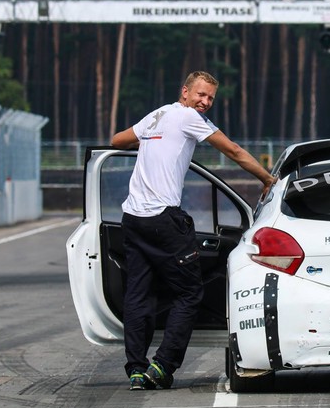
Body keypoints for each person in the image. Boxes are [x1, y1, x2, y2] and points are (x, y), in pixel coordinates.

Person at [111, 70, 274, 391]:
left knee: (138, 294)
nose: (205, 102)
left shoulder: (158, 116)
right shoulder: (187, 117)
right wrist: (267, 180)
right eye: (200, 94)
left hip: (132, 218)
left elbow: (117, 141)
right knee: (189, 292)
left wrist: (148, 143)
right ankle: (163, 364)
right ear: (184, 91)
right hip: (162, 220)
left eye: (210, 98)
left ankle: (135, 368)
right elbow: (233, 151)